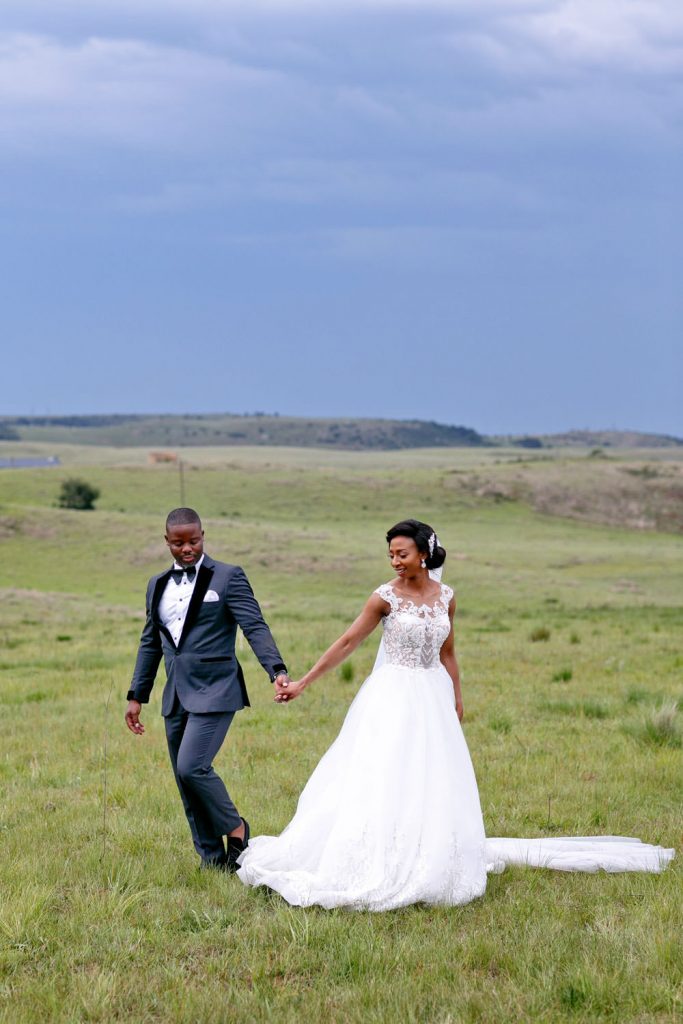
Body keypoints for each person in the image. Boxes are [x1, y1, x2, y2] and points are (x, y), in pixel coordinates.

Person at [237, 519, 674, 910]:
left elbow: (448, 651)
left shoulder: (446, 596)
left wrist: (457, 696)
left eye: (402, 553)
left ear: (424, 554)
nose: (394, 561)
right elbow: (348, 642)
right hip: (391, 696)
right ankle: (377, 852)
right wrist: (302, 683)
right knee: (385, 771)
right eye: (389, 554)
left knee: (433, 775)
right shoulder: (383, 598)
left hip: (433, 696)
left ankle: (430, 850)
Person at [125, 507, 289, 872]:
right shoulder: (157, 585)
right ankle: (212, 860)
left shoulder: (228, 577)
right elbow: (150, 642)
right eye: (179, 543)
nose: (187, 549)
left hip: (217, 688)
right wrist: (137, 695)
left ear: (203, 536)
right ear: (167, 541)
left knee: (191, 767)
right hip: (176, 694)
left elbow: (255, 626)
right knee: (185, 783)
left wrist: (275, 669)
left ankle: (236, 827)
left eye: (194, 541)